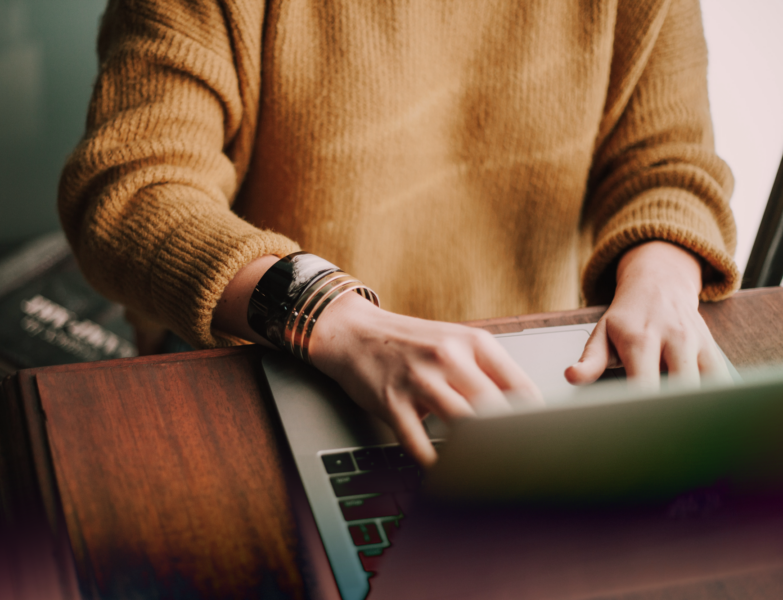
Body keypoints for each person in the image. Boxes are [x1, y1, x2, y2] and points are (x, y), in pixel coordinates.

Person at [59, 0, 739, 466]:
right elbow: (131, 189)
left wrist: (664, 273)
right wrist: (326, 315)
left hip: (527, 382)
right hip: (274, 363)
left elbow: (669, 162)